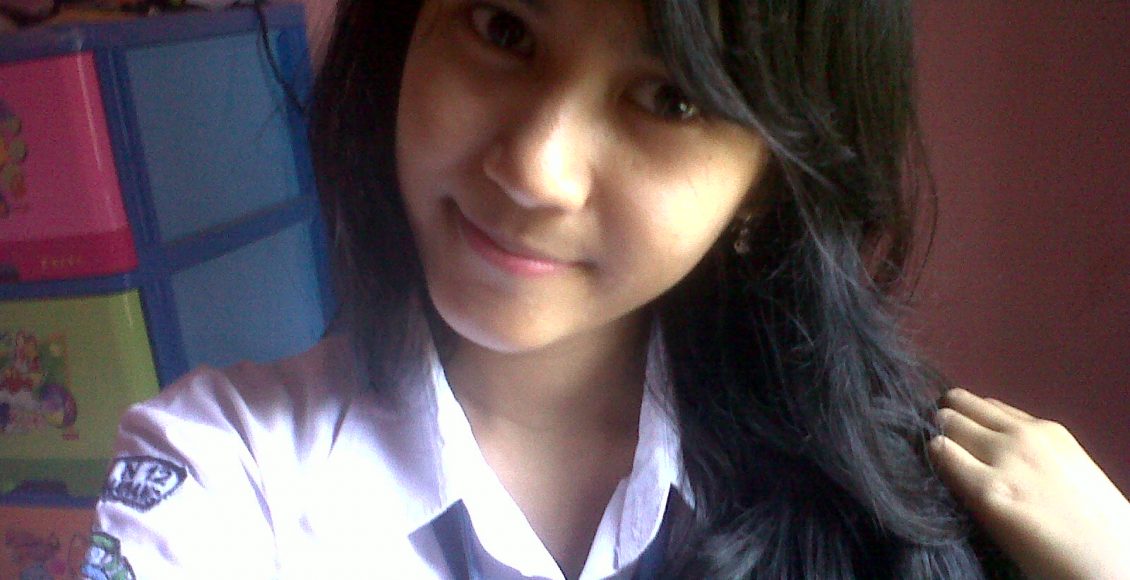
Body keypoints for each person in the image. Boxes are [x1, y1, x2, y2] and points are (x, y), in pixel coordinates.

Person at [86, 0, 1130, 578]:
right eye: (503, 28)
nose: (535, 169)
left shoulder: (899, 495)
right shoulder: (223, 472)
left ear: (765, 188)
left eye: (668, 98)